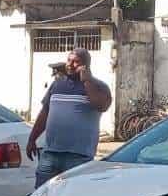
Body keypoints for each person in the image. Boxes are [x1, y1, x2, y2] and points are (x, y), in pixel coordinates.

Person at [28, 47, 112, 187]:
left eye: (76, 62)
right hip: (50, 154)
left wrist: (86, 81)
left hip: (78, 157)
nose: (70, 64)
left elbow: (101, 106)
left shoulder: (99, 86)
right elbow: (45, 113)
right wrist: (32, 139)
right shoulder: (57, 84)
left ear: (86, 65)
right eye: (69, 60)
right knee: (41, 195)